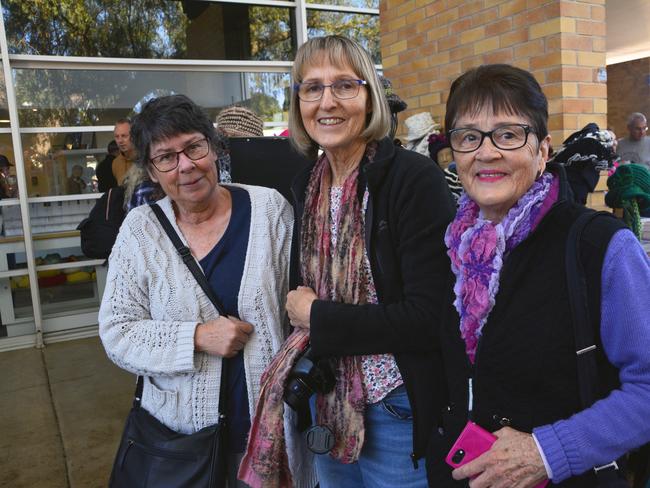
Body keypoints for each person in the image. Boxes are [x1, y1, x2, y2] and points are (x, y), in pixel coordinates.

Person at [240, 35, 455, 488]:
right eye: (312, 88)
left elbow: (428, 317)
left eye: (344, 85)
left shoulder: (413, 181)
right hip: (328, 402)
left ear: (370, 95)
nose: (327, 102)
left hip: (396, 408)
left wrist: (317, 317)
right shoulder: (306, 185)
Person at [426, 64, 650, 487]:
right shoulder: (455, 247)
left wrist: (548, 451)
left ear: (542, 150)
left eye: (509, 134)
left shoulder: (598, 246)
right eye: (469, 136)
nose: (486, 152)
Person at [98, 94, 293, 486]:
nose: (185, 165)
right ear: (152, 171)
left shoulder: (269, 209)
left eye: (193, 147)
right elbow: (117, 332)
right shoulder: (140, 231)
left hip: (268, 432)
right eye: (166, 157)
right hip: (181, 441)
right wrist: (198, 337)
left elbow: (297, 307)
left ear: (214, 148)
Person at [111, 118, 136, 185]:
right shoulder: (116, 163)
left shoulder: (146, 158)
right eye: (117, 136)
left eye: (124, 136)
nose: (120, 141)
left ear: (134, 136)